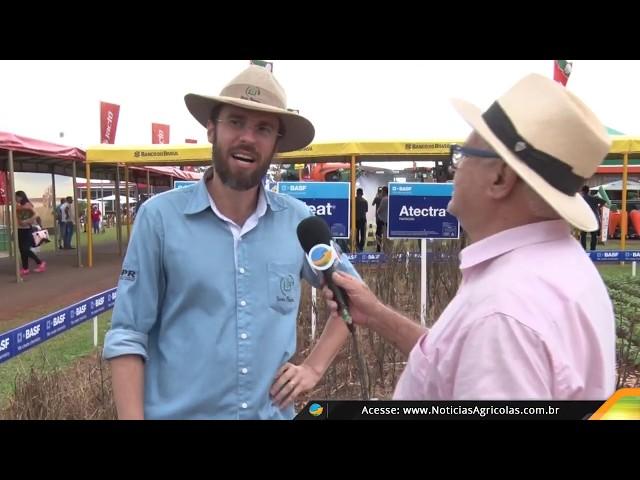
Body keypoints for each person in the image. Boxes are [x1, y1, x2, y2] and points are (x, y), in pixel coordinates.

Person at [323, 73, 616, 400]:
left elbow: (492, 340)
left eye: (463, 155)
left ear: (500, 178)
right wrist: (375, 313)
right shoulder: (560, 267)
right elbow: (450, 361)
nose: (454, 170)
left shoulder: (504, 313)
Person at [103, 64, 359, 420]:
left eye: (263, 128)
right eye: (236, 122)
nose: (248, 138)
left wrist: (314, 368)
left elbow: (354, 298)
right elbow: (129, 335)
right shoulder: (159, 219)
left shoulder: (297, 221)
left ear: (276, 144)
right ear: (212, 129)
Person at [15, 191, 46, 275]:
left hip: (27, 230)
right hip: (19, 229)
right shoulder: (18, 206)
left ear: (21, 197)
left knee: (25, 249)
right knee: (22, 250)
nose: (15, 198)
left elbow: (35, 215)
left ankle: (40, 263)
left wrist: (26, 221)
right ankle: (25, 268)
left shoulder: (28, 205)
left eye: (16, 197)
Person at [580, 185, 606, 251]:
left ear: (582, 191)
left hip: (585, 219)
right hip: (594, 219)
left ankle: (584, 249)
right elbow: (604, 201)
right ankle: (593, 249)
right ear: (589, 191)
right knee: (594, 235)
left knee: (583, 235)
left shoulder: (581, 199)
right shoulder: (594, 198)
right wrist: (598, 207)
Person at [355, 188, 368, 252]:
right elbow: (366, 210)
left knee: (356, 233)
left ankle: (357, 246)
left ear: (357, 193)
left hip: (355, 220)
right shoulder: (365, 201)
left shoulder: (353, 200)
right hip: (363, 219)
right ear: (362, 193)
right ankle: (361, 247)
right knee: (363, 234)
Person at [375, 186, 389, 252]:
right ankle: (386, 249)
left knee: (378, 235)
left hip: (381, 220)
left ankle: (379, 249)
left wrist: (377, 211)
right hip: (387, 221)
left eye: (382, 191)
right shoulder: (389, 199)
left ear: (384, 191)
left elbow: (379, 210)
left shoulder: (384, 199)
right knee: (386, 235)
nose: (381, 192)